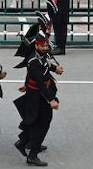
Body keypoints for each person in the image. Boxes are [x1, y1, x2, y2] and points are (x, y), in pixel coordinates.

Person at [13, 31, 61, 167]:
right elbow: (40, 81)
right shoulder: (33, 60)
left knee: (38, 121)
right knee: (42, 122)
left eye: (46, 46)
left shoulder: (42, 56)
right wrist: (51, 99)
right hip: (37, 95)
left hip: (40, 93)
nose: (45, 48)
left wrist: (55, 68)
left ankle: (23, 142)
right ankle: (32, 154)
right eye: (43, 46)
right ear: (36, 46)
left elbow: (44, 66)